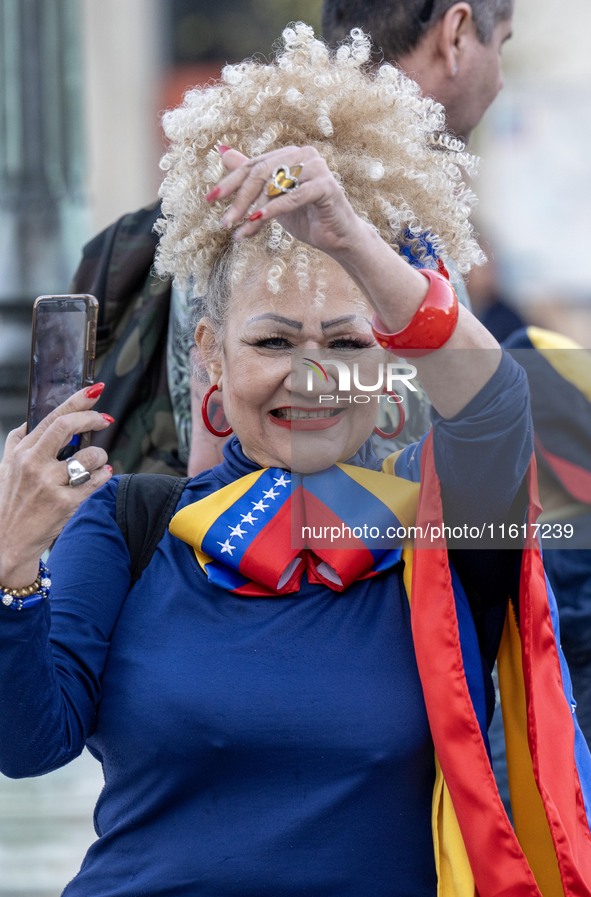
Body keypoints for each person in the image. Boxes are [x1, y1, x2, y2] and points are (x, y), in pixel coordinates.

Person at [2, 25, 590, 897]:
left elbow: (496, 401)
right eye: (273, 339)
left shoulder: (446, 534)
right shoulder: (131, 524)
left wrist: (350, 235)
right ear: (210, 356)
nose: (312, 375)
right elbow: (27, 744)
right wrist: (12, 569)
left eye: (347, 341)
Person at [73, 0, 515, 477]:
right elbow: (212, 471)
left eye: (346, 344)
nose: (500, 78)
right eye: (503, 45)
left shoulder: (279, 192)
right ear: (457, 33)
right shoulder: (273, 208)